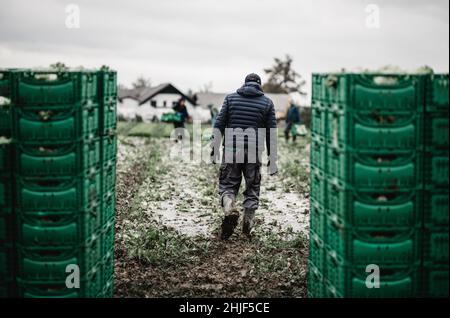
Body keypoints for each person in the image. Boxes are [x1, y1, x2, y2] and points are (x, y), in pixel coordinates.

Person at [211, 73, 278, 240]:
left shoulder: (230, 99)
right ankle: (247, 226)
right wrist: (272, 157)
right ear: (259, 85)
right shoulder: (267, 103)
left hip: (232, 150)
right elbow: (272, 133)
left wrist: (215, 147)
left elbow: (219, 123)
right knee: (252, 188)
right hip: (254, 151)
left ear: (245, 83)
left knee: (228, 184)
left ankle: (229, 208)